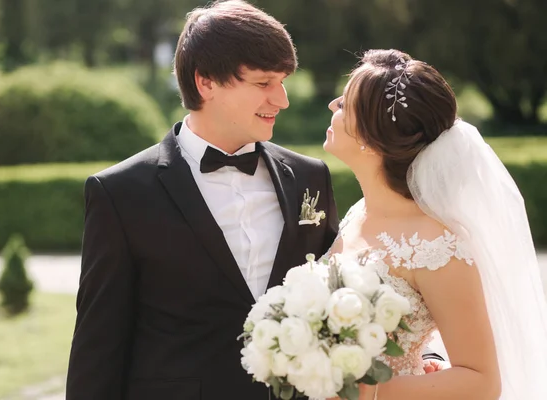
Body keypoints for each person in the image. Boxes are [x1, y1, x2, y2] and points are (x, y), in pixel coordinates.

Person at [64, 1, 339, 399]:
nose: (282, 100)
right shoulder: (120, 193)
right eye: (263, 83)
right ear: (206, 81)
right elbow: (98, 346)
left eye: (282, 82)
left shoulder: (311, 179)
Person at [323, 49, 547, 399]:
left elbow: (482, 381)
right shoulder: (358, 211)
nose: (332, 106)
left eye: (345, 103)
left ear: (369, 137)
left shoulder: (435, 244)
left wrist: (364, 392)